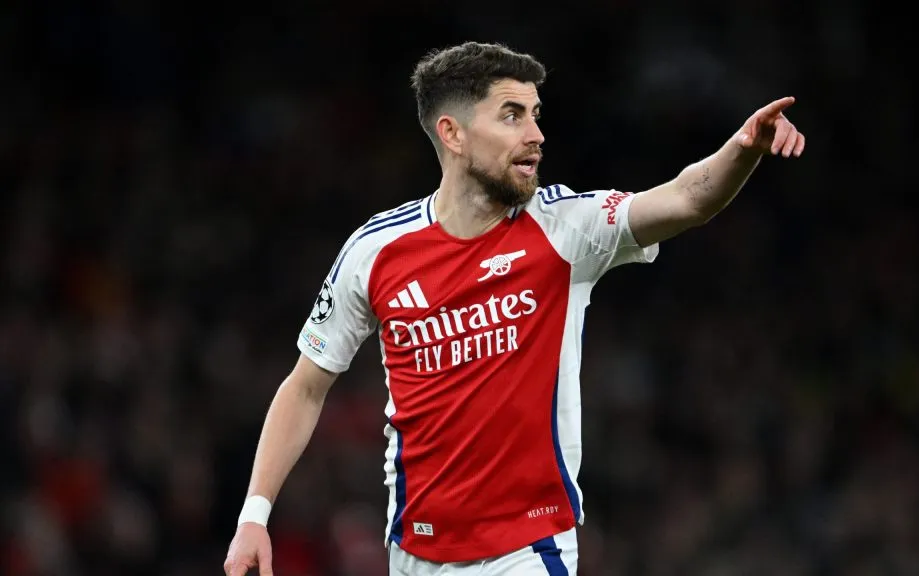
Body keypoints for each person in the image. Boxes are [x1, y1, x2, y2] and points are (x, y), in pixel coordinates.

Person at [223, 41, 805, 576]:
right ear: (452, 133)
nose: (536, 134)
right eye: (512, 115)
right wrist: (254, 513)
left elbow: (685, 198)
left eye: (535, 115)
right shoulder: (374, 252)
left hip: (528, 550)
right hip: (414, 550)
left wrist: (742, 150)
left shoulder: (565, 227)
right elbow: (304, 386)